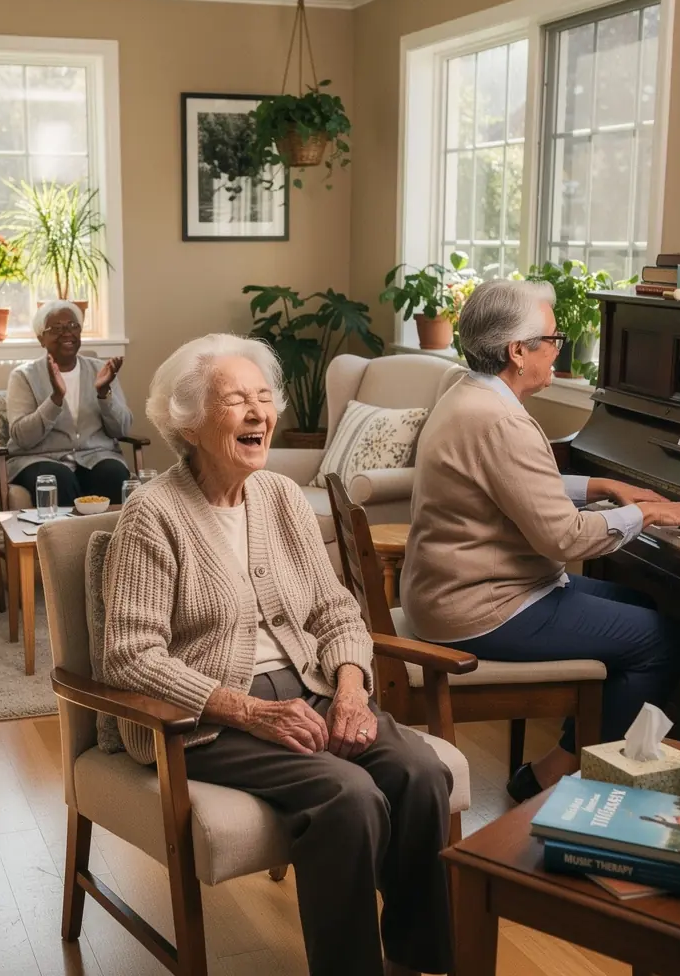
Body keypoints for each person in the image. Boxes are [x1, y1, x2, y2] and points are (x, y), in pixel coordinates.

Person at [101, 333, 452, 976]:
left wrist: (350, 689)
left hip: (312, 685)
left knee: (421, 773)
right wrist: (248, 711)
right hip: (202, 716)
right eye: (236, 401)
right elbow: (128, 656)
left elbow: (336, 609)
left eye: (265, 398)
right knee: (349, 796)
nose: (260, 413)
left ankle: (418, 959)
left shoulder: (283, 499)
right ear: (190, 420)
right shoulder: (152, 515)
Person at [401, 278, 680, 802]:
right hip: (478, 608)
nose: (557, 350)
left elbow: (513, 482)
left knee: (640, 604)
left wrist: (602, 485)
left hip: (449, 590)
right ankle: (567, 780)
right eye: (551, 340)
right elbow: (564, 539)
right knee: (663, 642)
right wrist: (643, 511)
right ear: (517, 352)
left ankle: (566, 763)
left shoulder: (468, 392)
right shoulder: (501, 419)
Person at [6, 302, 132, 506]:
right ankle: (65, 538)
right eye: (56, 328)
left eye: (73, 326)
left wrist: (104, 394)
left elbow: (122, 429)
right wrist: (55, 399)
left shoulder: (102, 371)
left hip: (96, 456)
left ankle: (112, 538)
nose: (67, 333)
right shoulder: (23, 376)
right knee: (58, 479)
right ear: (41, 339)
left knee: (114, 474)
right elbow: (22, 437)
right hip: (39, 459)